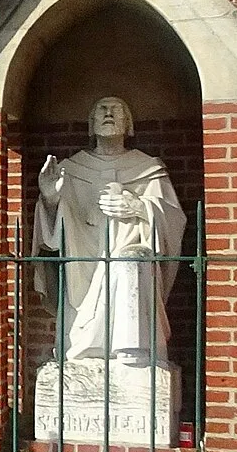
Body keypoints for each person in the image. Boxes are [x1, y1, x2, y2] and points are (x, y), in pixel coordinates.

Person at [33, 95, 189, 365]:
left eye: (116, 109)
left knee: (128, 263)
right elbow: (51, 239)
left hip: (131, 258)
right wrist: (50, 199)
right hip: (82, 265)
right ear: (91, 124)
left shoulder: (149, 168)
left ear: (129, 124)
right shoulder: (69, 170)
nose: (108, 113)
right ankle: (82, 346)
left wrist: (139, 207)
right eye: (101, 109)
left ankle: (133, 349)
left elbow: (174, 220)